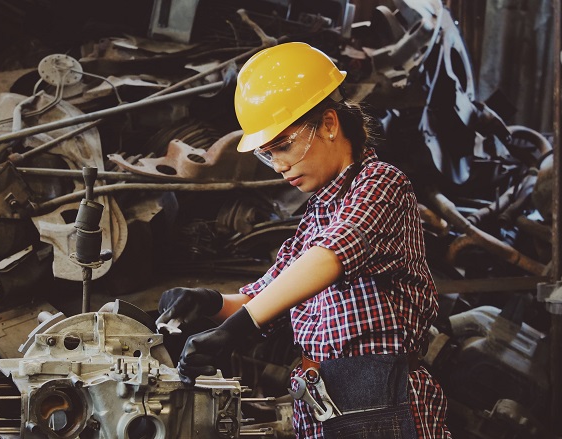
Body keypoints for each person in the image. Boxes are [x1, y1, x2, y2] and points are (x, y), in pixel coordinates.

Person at [155, 42, 451, 439]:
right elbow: (266, 298)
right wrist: (208, 301)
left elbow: (331, 257)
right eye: (267, 154)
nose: (278, 166)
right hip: (321, 398)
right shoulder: (315, 215)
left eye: (284, 145)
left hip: (380, 400)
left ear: (329, 124)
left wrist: (237, 329)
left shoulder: (381, 184)